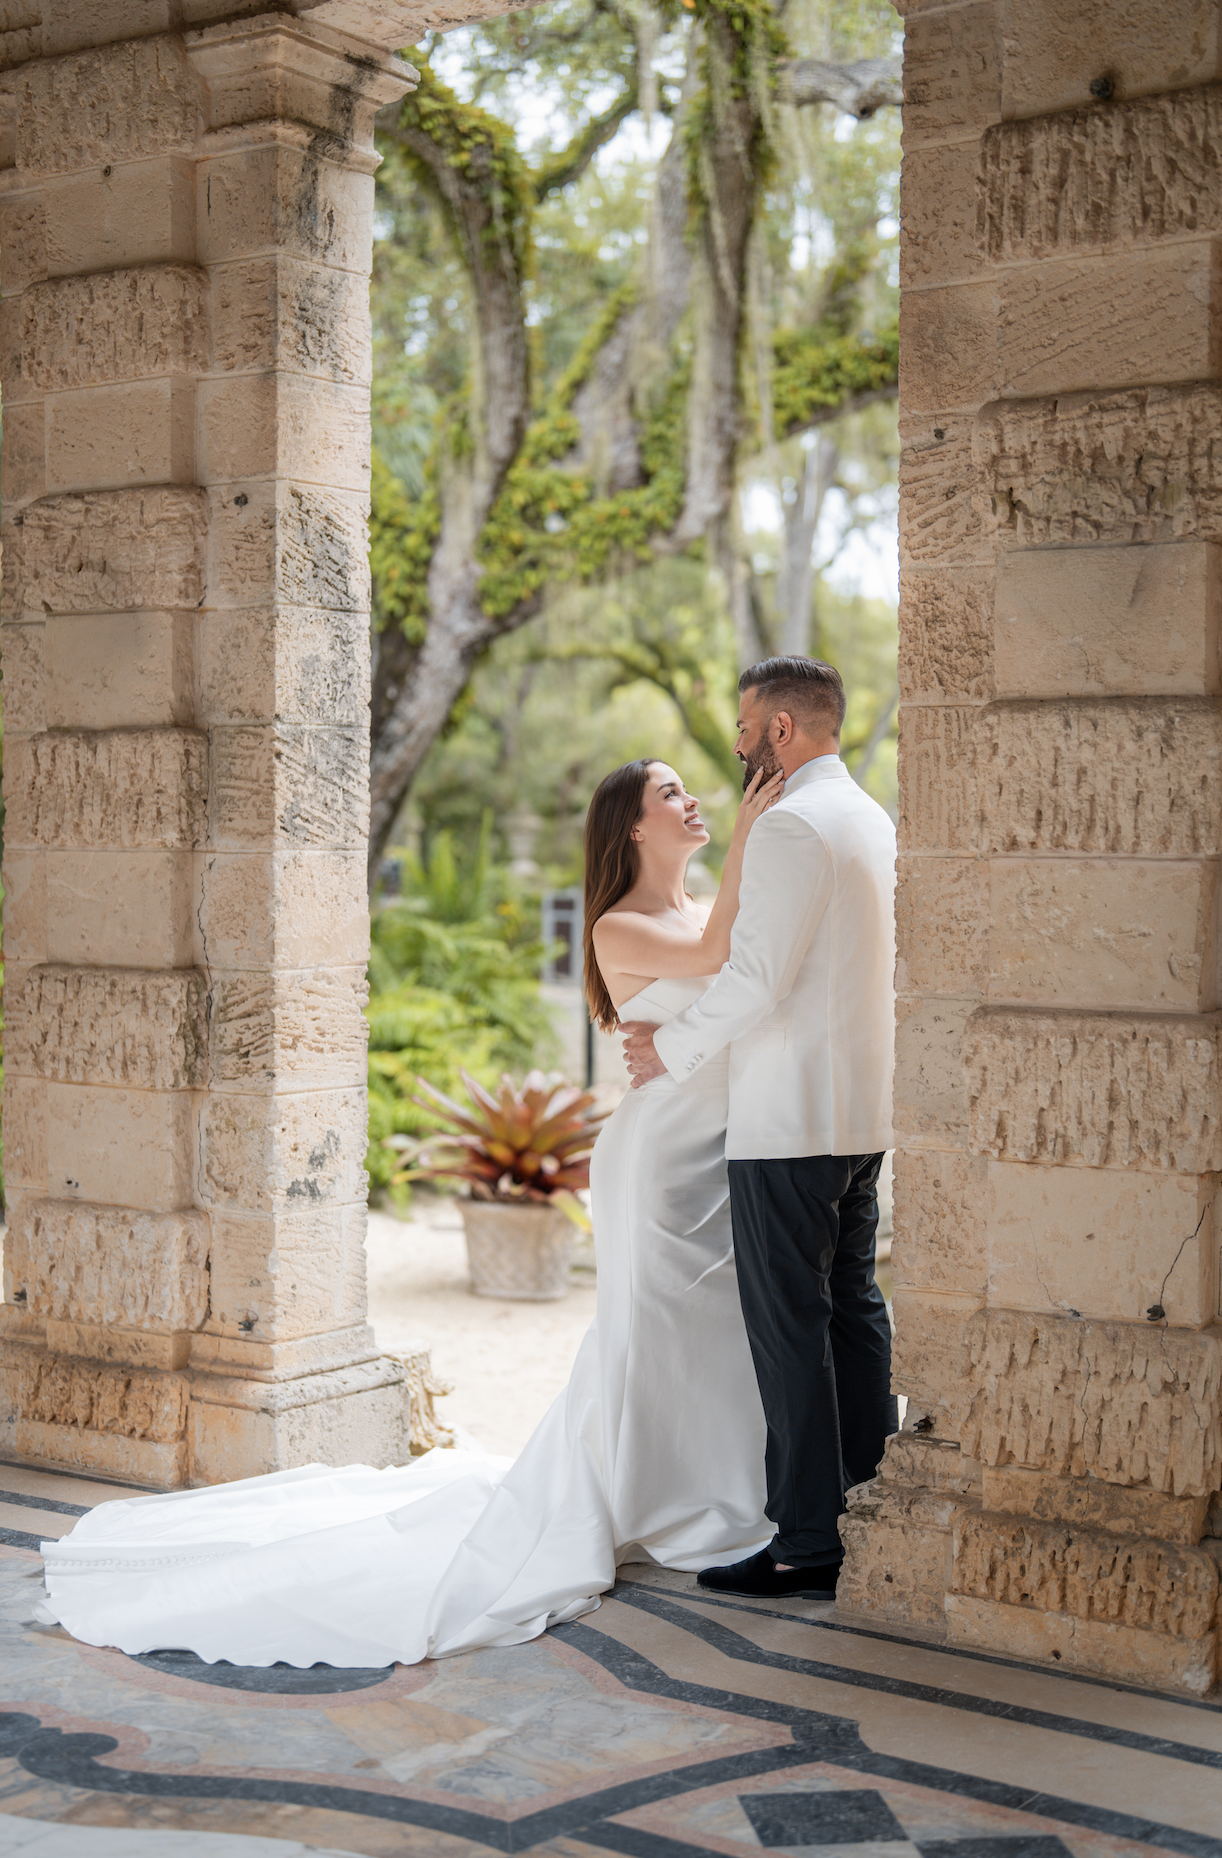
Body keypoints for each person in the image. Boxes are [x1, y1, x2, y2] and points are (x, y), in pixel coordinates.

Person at [36, 759, 781, 1669]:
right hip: (660, 1161)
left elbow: (740, 973)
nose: (693, 800)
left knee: (711, 1329)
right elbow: (714, 965)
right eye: (672, 793)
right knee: (665, 1326)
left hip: (719, 1152)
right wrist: (755, 831)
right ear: (630, 825)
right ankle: (671, 1500)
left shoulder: (704, 910)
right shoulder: (621, 925)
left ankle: (705, 1488)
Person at [622, 656, 898, 1599]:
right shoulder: (870, 818)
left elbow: (756, 976)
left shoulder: (791, 826)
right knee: (856, 1312)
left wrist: (675, 1049)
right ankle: (870, 1504)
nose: (737, 748)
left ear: (780, 730)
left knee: (790, 1332)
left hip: (787, 1118)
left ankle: (806, 1543)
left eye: (744, 731)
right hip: (862, 1114)